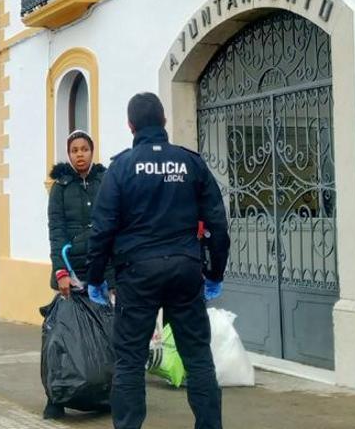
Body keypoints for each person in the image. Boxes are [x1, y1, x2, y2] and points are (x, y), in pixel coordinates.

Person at [85, 92, 230, 429]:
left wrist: (95, 278)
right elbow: (217, 224)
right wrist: (213, 273)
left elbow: (102, 229)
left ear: (130, 125)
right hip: (184, 270)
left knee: (130, 361)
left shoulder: (120, 167)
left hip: (137, 274)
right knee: (197, 357)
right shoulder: (190, 163)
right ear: (164, 121)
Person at [43, 129, 111, 420]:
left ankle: (105, 393)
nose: (80, 154)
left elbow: (113, 227)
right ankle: (56, 397)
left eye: (84, 149)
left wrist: (113, 276)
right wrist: (60, 271)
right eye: (74, 150)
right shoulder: (60, 187)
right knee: (61, 337)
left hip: (101, 271)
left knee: (107, 335)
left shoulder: (104, 182)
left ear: (92, 151)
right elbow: (56, 231)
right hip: (70, 272)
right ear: (68, 154)